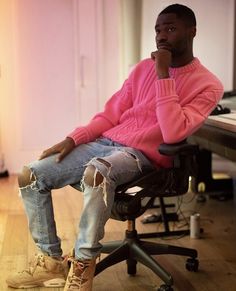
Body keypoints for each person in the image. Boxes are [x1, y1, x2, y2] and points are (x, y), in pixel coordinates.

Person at [6, 3, 224, 291]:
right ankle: (51, 261)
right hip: (107, 142)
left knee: (97, 173)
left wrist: (163, 75)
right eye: (158, 29)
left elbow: (172, 133)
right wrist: (74, 138)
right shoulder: (140, 70)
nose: (161, 36)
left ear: (192, 31)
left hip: (144, 156)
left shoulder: (208, 85)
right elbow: (111, 115)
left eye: (170, 28)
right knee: (31, 175)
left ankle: (84, 265)